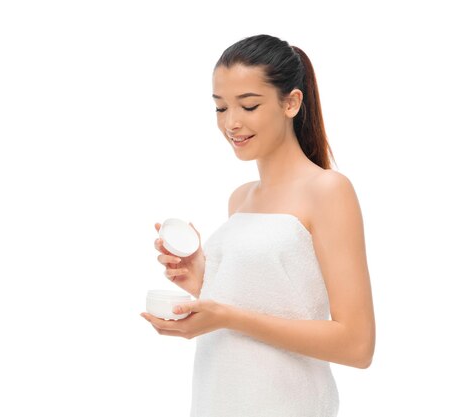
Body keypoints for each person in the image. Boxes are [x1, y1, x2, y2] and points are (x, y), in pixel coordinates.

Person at [140, 34, 376, 417]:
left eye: (248, 105)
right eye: (220, 108)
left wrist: (230, 317)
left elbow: (357, 344)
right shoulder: (241, 198)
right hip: (218, 401)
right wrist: (200, 278)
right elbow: (262, 303)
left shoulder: (328, 190)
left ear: (292, 102)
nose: (232, 123)